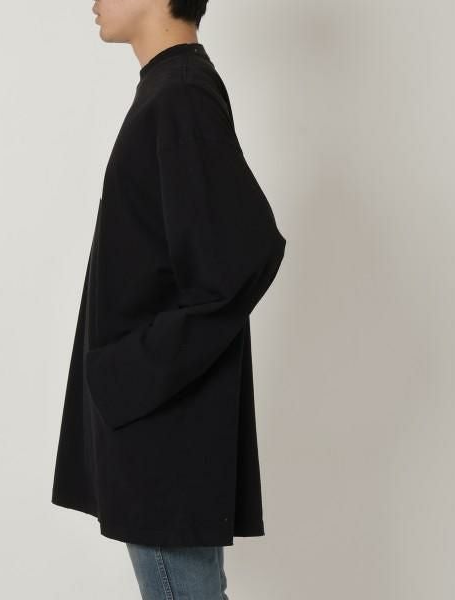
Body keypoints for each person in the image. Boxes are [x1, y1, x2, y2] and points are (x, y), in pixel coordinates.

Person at [52, 1, 287, 598]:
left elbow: (245, 257)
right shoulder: (171, 88)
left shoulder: (180, 95)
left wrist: (132, 369)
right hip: (160, 421)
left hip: (164, 426)